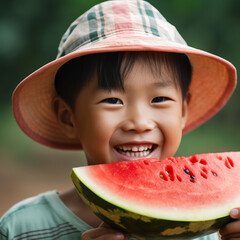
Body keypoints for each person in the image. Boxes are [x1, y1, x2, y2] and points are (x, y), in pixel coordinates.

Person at [0, 0, 238, 239]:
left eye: (159, 99)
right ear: (68, 117)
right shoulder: (21, 227)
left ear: (183, 111)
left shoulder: (210, 230)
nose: (139, 122)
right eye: (113, 100)